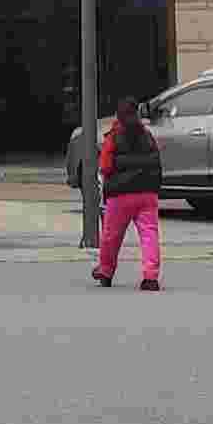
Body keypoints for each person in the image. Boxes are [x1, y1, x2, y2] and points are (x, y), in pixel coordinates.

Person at [88, 95, 162, 291]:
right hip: (147, 193)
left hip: (120, 195)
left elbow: (105, 166)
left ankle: (105, 271)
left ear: (118, 116)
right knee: (149, 234)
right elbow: (157, 161)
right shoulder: (148, 135)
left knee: (111, 236)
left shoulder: (113, 136)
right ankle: (150, 277)